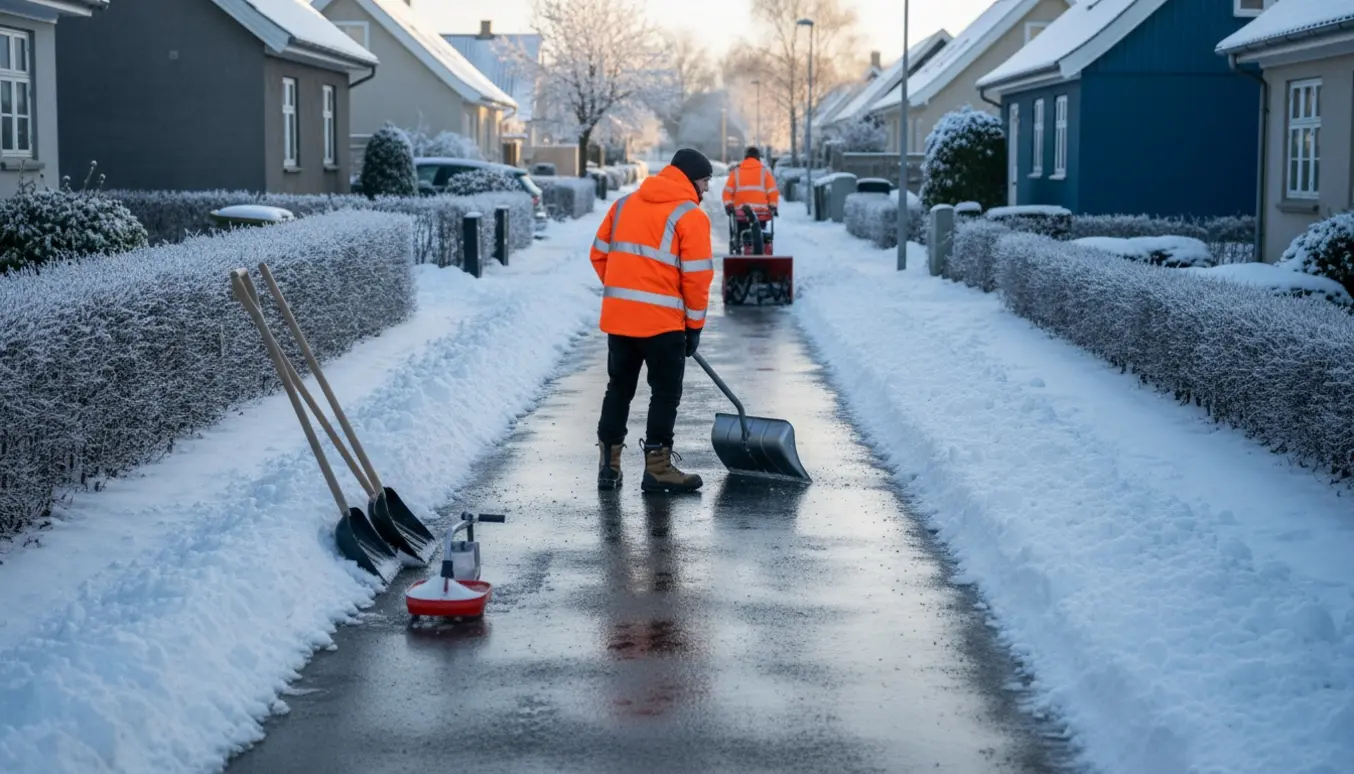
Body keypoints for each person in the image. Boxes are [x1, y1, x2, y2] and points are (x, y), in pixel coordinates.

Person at [590, 148, 715, 493]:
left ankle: (608, 467)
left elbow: (598, 253)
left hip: (620, 321)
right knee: (664, 393)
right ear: (690, 177)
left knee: (619, 389)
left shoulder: (623, 205)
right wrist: (694, 326)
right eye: (705, 180)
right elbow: (697, 279)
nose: (706, 189)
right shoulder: (690, 215)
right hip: (664, 324)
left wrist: (626, 292)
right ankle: (658, 469)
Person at [722, 146, 780, 219]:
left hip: (740, 213)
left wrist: (728, 205)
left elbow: (727, 192)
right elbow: (772, 192)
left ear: (745, 157)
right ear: (758, 158)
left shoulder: (736, 172)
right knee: (760, 227)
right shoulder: (765, 173)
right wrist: (773, 206)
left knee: (738, 226)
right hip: (761, 213)